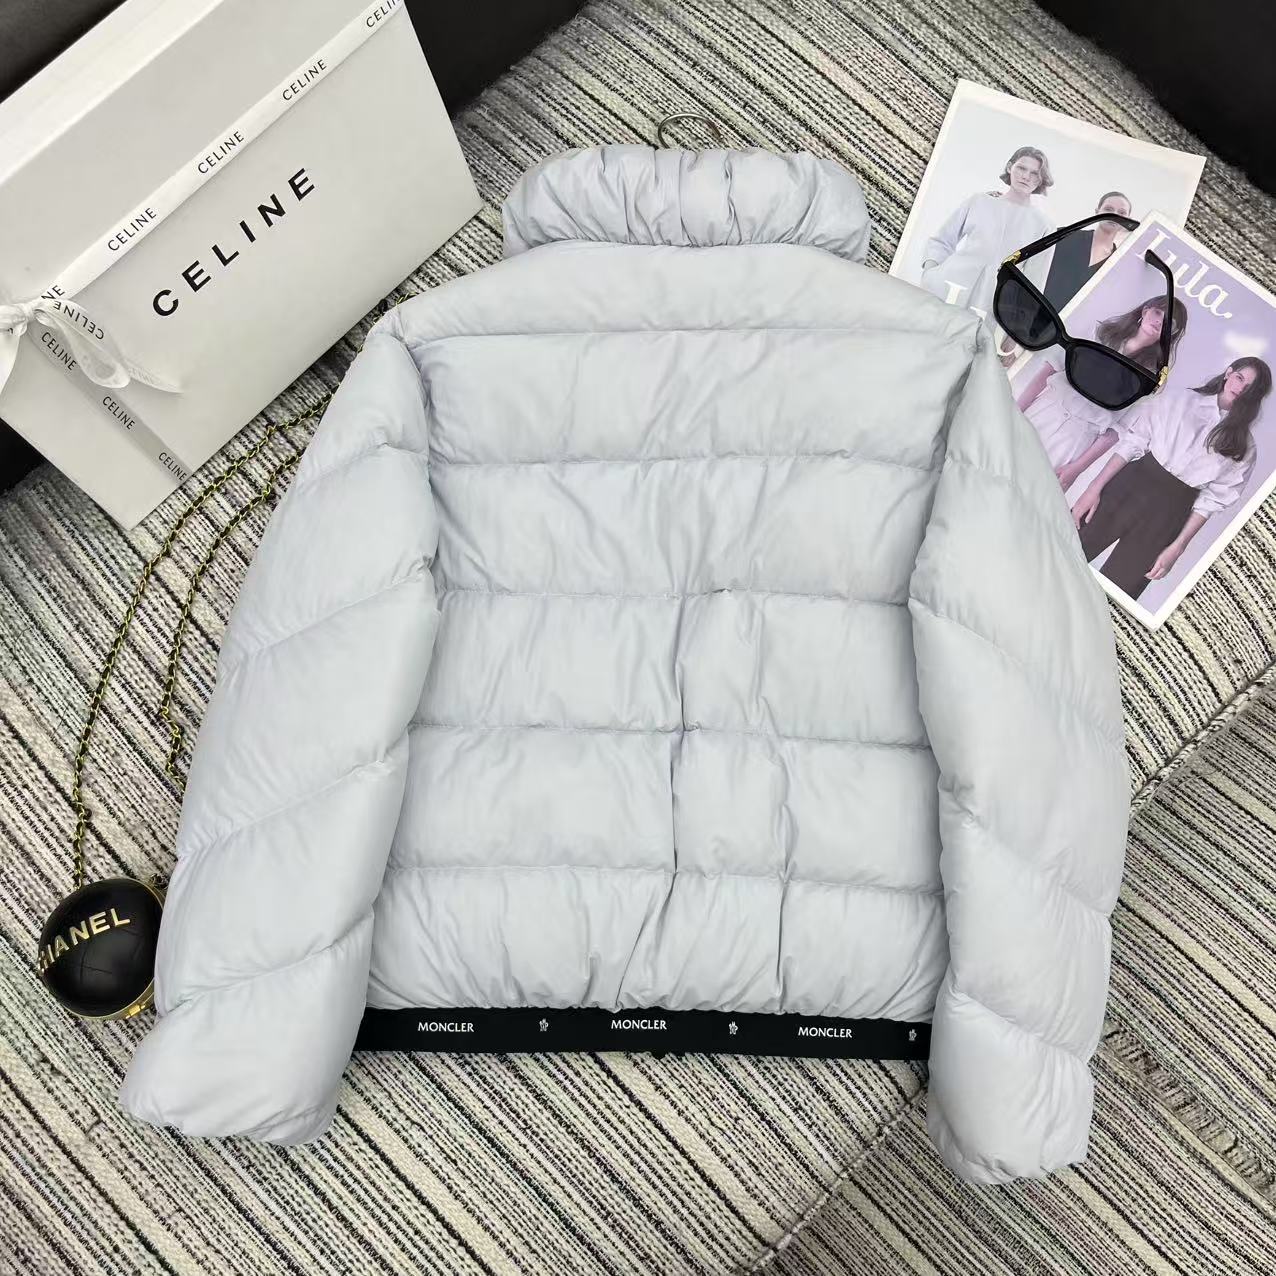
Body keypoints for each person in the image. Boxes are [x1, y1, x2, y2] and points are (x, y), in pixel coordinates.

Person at [1071, 357, 1272, 599]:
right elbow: (1134, 441)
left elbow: (1212, 501)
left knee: (1118, 590)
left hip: (1171, 513)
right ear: (1229, 372)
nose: (1240, 388)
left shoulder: (1245, 447)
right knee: (1068, 551)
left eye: (1250, 388)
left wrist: (1178, 547)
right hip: (1129, 485)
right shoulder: (1181, 399)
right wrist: (1093, 488)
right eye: (1239, 378)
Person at [1017, 292, 1188, 482]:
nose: (1159, 322)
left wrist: (1077, 467)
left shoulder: (1151, 379)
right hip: (1045, 410)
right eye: (1158, 312)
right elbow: (1050, 368)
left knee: (1028, 488)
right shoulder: (1100, 333)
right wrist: (1014, 409)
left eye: (1169, 323)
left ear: (1172, 334)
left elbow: (1117, 429)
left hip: (1075, 439)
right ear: (1145, 311)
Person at [920, 146, 1055, 313]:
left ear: (1041, 179)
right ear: (1010, 167)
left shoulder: (1044, 226)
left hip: (992, 305)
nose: (1026, 176)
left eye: (1035, 173)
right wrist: (929, 274)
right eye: (1021, 168)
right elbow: (941, 241)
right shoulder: (979, 201)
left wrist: (1016, 322)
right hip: (947, 288)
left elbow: (1034, 281)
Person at [1042, 191, 1132, 310]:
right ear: (1097, 211)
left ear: (1128, 220)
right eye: (1108, 209)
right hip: (1032, 310)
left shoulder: (1117, 265)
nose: (1115, 215)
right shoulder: (1065, 235)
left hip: (1065, 320)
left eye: (1122, 212)